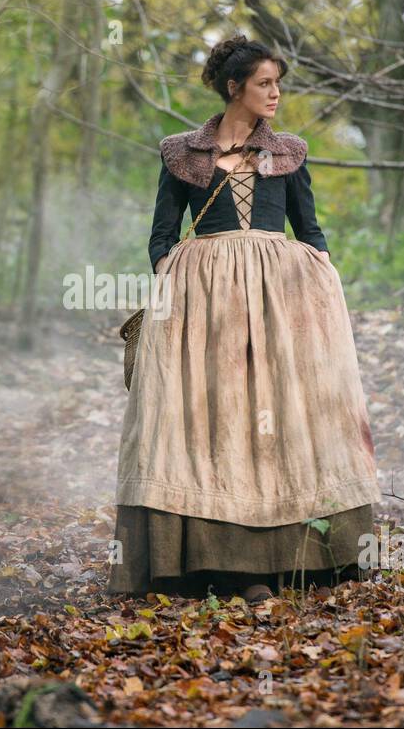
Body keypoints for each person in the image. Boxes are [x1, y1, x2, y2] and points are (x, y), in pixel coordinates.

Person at [107, 34, 379, 605]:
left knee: (280, 418)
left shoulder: (289, 151)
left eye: (278, 82)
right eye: (265, 83)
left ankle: (298, 561)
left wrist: (322, 285)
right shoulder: (183, 152)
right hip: (203, 303)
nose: (276, 92)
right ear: (236, 88)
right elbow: (161, 234)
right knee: (215, 420)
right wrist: (176, 283)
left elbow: (309, 230)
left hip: (278, 300)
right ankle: (218, 566)